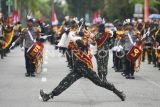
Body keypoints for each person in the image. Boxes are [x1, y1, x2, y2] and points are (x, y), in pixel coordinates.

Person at [40, 19, 126, 102]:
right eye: (72, 26)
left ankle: (118, 92)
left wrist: (75, 36)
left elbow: (83, 43)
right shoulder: (73, 34)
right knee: (65, 82)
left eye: (75, 26)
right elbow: (63, 45)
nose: (73, 27)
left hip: (85, 66)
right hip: (77, 67)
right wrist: (66, 34)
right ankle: (49, 95)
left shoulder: (85, 34)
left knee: (101, 83)